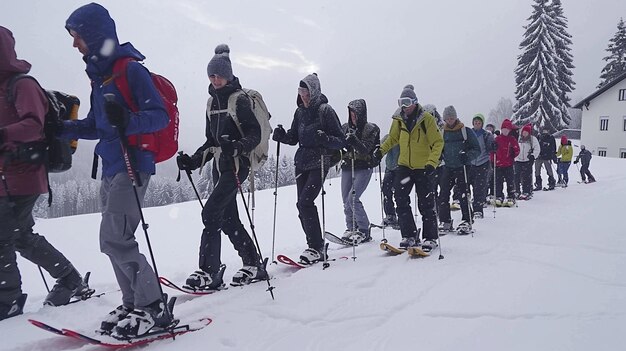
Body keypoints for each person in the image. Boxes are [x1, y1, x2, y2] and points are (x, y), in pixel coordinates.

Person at [63, 3, 171, 337]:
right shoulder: (100, 78)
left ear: (94, 35)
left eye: (77, 36)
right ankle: (133, 301)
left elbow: (160, 115)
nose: (74, 44)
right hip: (111, 164)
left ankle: (153, 307)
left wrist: (129, 120)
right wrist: (60, 128)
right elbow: (97, 125)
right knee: (110, 239)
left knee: (116, 237)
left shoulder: (129, 70)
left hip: (133, 162)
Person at [0, 26, 91, 321]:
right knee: (19, 236)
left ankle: (9, 300)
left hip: (25, 174)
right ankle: (68, 278)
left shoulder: (22, 85)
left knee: (7, 236)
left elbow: (33, 126)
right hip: (6, 176)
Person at [176, 44, 268, 291]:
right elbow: (211, 141)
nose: (214, 79)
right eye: (211, 75)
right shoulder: (211, 103)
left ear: (228, 74)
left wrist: (237, 147)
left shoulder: (238, 100)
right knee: (228, 218)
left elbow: (255, 134)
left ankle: (210, 272)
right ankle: (253, 263)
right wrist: (194, 160)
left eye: (218, 74)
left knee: (211, 213)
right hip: (220, 166)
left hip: (237, 166)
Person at [272, 73, 344, 264]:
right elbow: (294, 137)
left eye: (306, 91)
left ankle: (316, 247)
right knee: (301, 205)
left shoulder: (325, 110)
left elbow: (341, 140)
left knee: (305, 202)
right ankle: (314, 245)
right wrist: (281, 136)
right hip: (302, 162)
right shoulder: (299, 112)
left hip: (320, 161)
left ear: (314, 91)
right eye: (300, 90)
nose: (303, 95)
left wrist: (326, 139)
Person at [375, 85, 443, 251]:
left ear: (415, 102)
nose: (404, 106)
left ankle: (431, 237)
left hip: (423, 167)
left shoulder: (426, 119)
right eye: (401, 102)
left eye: (406, 102)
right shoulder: (398, 119)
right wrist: (380, 152)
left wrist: (432, 163)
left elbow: (438, 142)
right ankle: (409, 235)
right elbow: (392, 139)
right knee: (400, 198)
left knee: (426, 202)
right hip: (404, 166)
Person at [339, 99, 380, 243]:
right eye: (351, 113)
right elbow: (339, 144)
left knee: (353, 198)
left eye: (356, 113)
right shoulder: (344, 128)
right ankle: (351, 227)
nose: (353, 116)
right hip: (347, 166)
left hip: (363, 167)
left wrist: (354, 141)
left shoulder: (371, 129)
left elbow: (366, 148)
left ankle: (363, 229)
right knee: (346, 200)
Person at [437, 106, 480, 235]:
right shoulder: (441, 132)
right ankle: (445, 220)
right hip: (447, 167)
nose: (450, 120)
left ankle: (467, 219)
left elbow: (476, 149)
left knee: (463, 194)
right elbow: (438, 147)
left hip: (462, 167)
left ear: (456, 117)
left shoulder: (465, 131)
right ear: (444, 118)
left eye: (452, 117)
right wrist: (439, 155)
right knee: (443, 194)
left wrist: (466, 156)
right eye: (448, 118)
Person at [469, 113, 496, 219]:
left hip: (482, 163)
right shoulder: (469, 133)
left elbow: (490, 147)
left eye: (479, 122)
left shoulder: (487, 135)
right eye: (475, 122)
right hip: (470, 163)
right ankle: (468, 209)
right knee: (467, 187)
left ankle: (478, 210)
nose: (477, 124)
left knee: (479, 188)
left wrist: (493, 146)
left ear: (482, 124)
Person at [491, 119, 520, 207]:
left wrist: (513, 153)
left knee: (510, 181)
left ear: (509, 130)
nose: (505, 131)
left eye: (507, 129)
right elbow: (492, 151)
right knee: (498, 181)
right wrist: (493, 160)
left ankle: (511, 196)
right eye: (504, 129)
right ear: (501, 129)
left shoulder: (512, 139)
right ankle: (499, 196)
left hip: (509, 164)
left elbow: (517, 149)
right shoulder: (497, 139)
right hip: (499, 164)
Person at [514, 124, 540, 199]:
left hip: (527, 160)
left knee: (526, 177)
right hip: (518, 160)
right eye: (523, 132)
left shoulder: (532, 139)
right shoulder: (519, 138)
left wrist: (533, 156)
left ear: (529, 133)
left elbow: (537, 148)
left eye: (526, 132)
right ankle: (517, 191)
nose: (524, 133)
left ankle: (526, 191)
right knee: (516, 176)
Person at [380, 134, 400, 229]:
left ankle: (400, 216)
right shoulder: (389, 136)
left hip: (401, 168)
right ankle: (390, 215)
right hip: (390, 167)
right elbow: (381, 146)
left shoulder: (405, 135)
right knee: (386, 190)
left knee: (399, 193)